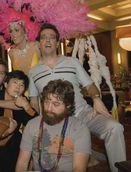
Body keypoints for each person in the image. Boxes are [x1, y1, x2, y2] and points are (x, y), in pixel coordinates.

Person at [28, 23, 126, 172]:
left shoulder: (72, 62)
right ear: (39, 43)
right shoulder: (33, 72)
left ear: (57, 42)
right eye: (43, 38)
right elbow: (34, 100)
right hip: (57, 121)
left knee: (115, 128)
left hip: (83, 113)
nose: (48, 41)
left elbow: (90, 85)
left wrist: (96, 99)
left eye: (52, 38)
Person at [16, 79, 91, 172]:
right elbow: (22, 164)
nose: (49, 108)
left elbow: (79, 169)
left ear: (68, 106)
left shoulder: (80, 129)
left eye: (56, 104)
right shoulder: (32, 125)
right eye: (47, 102)